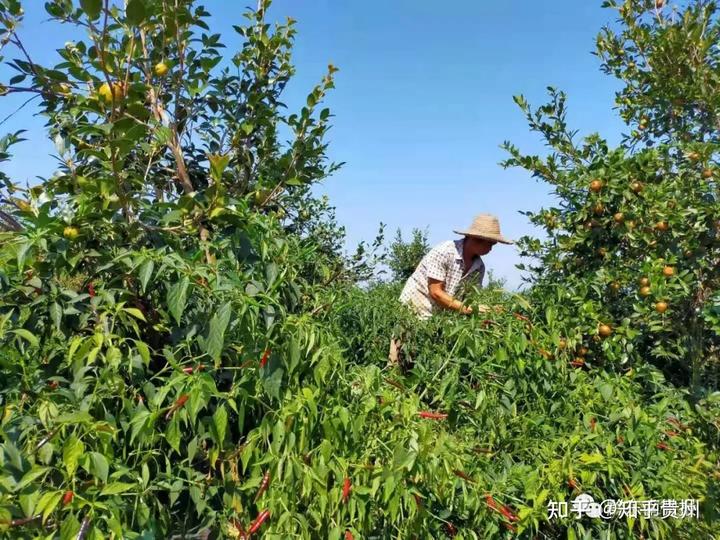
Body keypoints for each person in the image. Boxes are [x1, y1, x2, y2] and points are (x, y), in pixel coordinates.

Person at [389, 214, 513, 365]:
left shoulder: (478, 267)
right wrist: (470, 310)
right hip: (415, 308)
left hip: (441, 316)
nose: (491, 249)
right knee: (400, 360)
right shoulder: (445, 251)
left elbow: (470, 300)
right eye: (490, 244)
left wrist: (486, 314)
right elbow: (435, 292)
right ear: (476, 239)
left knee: (428, 361)